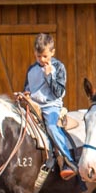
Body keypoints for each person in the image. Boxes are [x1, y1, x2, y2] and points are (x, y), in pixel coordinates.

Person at [24, 33, 76, 180]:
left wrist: (48, 76)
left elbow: (58, 92)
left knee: (52, 127)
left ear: (52, 53)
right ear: (35, 53)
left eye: (45, 56)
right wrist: (24, 94)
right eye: (38, 56)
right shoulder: (31, 69)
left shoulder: (58, 68)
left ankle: (68, 160)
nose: (42, 60)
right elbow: (28, 87)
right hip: (33, 105)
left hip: (50, 106)